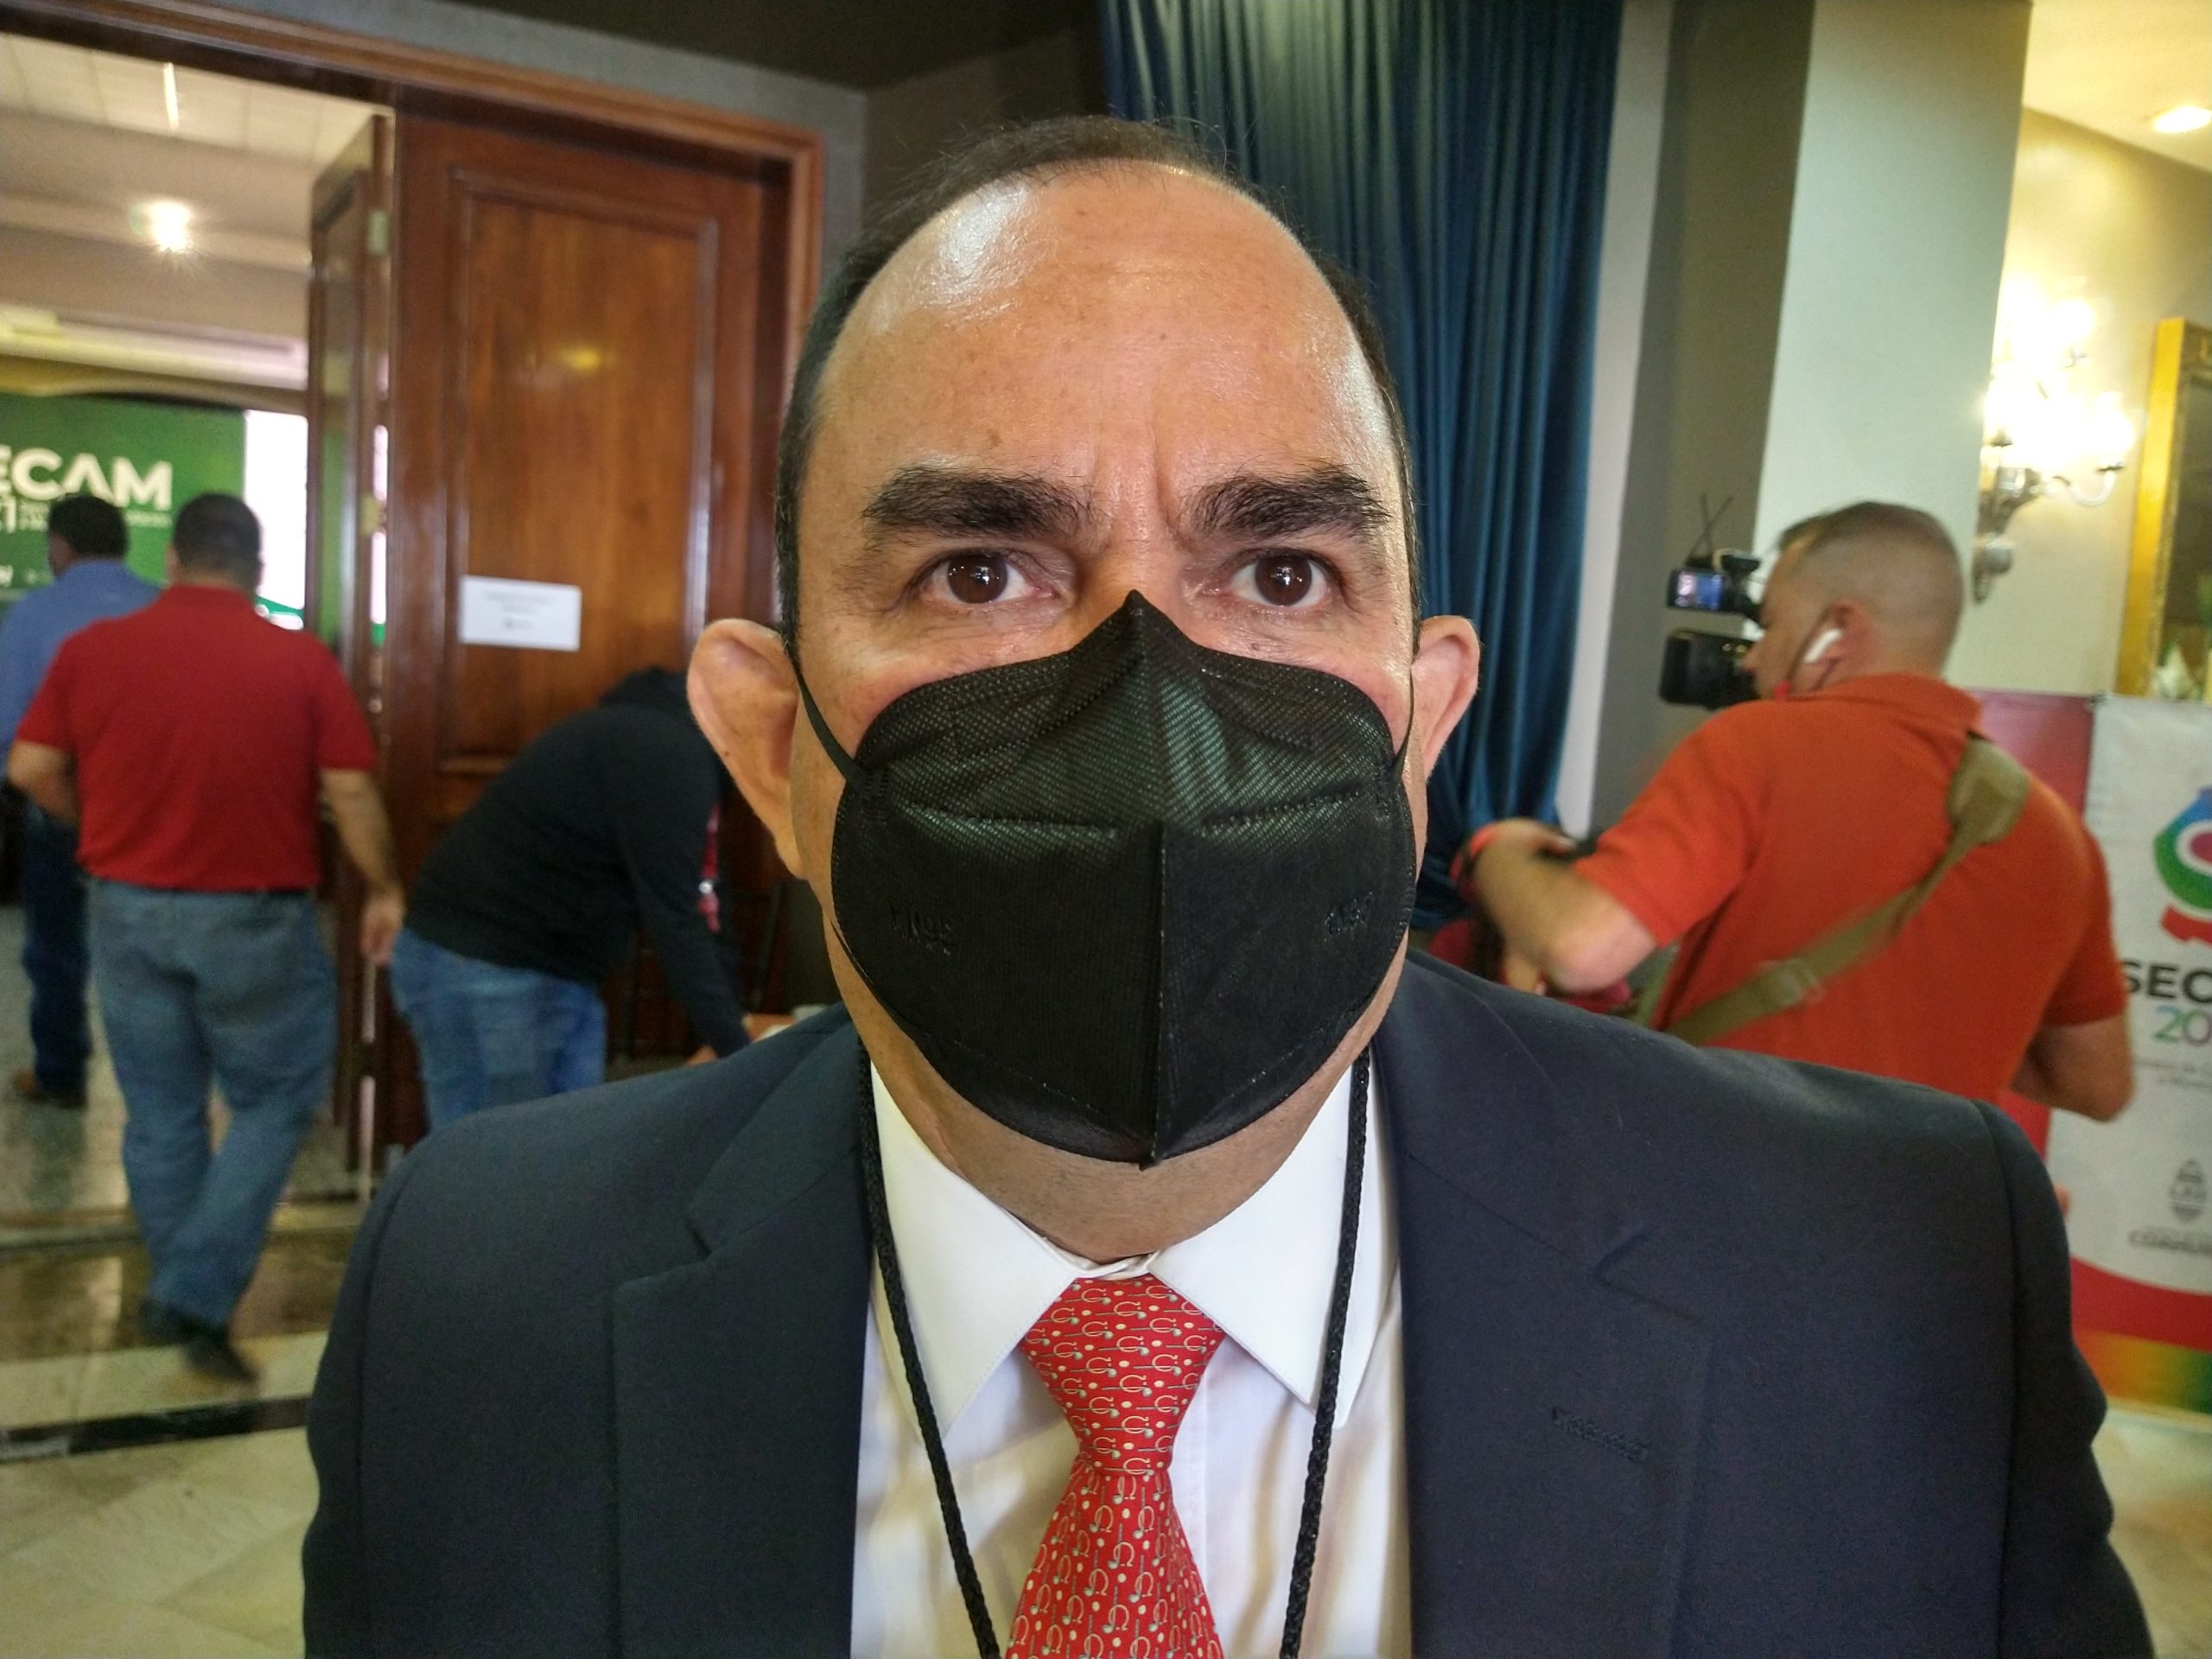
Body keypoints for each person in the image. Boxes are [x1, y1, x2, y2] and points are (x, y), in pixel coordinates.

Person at [302, 121, 2147, 1656]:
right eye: (978, 571)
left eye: (1278, 575)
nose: (1151, 711)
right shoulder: (476, 1293)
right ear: (776, 742)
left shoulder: (1899, 1282)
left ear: (1420, 729)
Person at [1471, 501, 2133, 1121]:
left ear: (1839, 632)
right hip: (1932, 1202)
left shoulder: (1760, 743)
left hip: (1728, 1178)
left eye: (1770, 626)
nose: (1755, 657)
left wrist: (1495, 852)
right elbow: (2098, 1085)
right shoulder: (2058, 834)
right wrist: (1936, 1031)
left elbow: (1581, 948)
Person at [9, 493, 404, 1383]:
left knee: (160, 1113)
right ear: (258, 572)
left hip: (125, 910)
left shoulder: (93, 650)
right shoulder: (299, 660)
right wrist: (383, 890)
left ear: (175, 562)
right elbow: (349, 790)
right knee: (275, 1099)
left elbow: (30, 768)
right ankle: (193, 1294)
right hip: (253, 922)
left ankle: (175, 1288)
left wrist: (97, 828)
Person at [389, 665, 748, 1127]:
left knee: (551, 1149)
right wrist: (741, 1055)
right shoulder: (669, 752)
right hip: (490, 964)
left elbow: (705, 894)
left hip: (528, 966)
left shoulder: (669, 739)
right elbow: (677, 918)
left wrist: (737, 1031)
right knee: (505, 1154)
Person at [0, 493, 157, 1108]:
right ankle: (157, 1082)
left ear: (59, 546)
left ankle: (62, 1074)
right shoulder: (161, 607)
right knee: (155, 952)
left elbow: (10, 729)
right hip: (154, 812)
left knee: (56, 949)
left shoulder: (35, 614)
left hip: (60, 805)